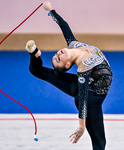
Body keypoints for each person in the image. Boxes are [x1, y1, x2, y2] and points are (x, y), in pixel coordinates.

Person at [26, 1, 113, 150]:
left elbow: (64, 25)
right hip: (91, 97)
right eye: (58, 59)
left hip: (90, 87)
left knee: (41, 72)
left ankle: (35, 54)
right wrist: (81, 126)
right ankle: (34, 56)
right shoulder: (83, 66)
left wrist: (50, 10)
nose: (58, 54)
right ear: (67, 65)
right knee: (99, 143)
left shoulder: (73, 45)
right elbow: (83, 98)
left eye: (55, 56)